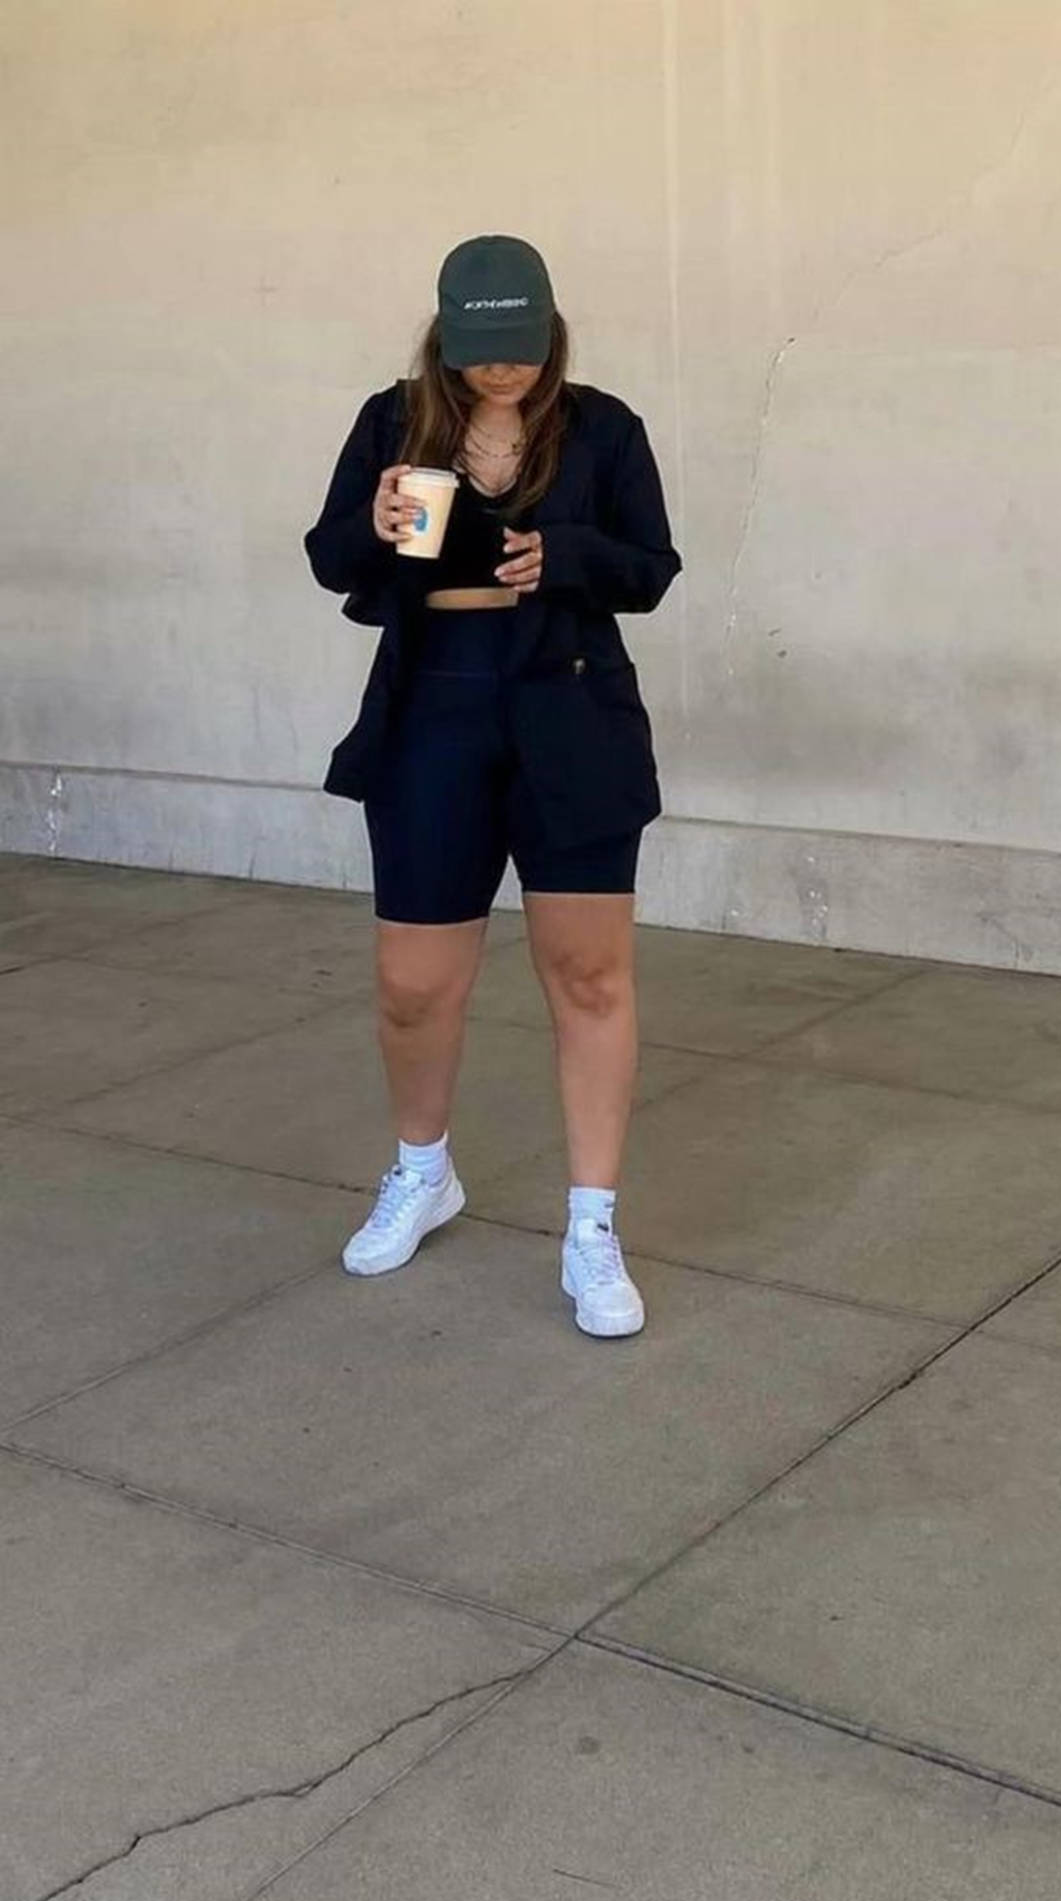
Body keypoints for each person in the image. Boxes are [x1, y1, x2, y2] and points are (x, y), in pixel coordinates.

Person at [304, 234, 681, 1338]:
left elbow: (650, 570)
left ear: (550, 332)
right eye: (479, 351)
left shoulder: (603, 428)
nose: (499, 370)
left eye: (518, 348)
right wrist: (371, 532)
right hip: (433, 711)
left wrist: (558, 557)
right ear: (447, 337)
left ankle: (592, 1225)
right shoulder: (394, 420)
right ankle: (424, 1172)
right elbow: (332, 558)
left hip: (571, 709)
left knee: (589, 974)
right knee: (414, 983)